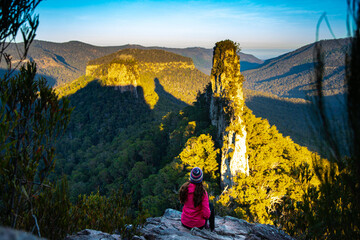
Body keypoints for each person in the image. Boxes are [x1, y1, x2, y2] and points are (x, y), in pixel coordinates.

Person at [179, 167, 215, 231]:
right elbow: (206, 214)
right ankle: (212, 228)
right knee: (211, 205)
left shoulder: (184, 189)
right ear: (201, 179)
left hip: (185, 223)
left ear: (190, 178)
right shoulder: (203, 193)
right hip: (198, 225)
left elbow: (182, 202)